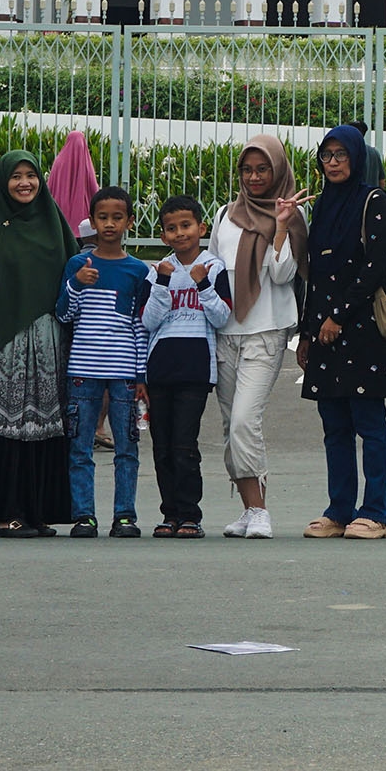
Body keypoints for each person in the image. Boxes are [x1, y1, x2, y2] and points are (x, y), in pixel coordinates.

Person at [297, 124, 386, 540]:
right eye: (327, 155)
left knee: (369, 423)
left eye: (342, 154)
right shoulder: (323, 204)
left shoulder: (373, 200)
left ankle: (376, 511)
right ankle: (339, 510)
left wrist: (339, 316)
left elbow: (374, 268)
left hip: (361, 330)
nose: (334, 163)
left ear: (358, 157)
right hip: (324, 332)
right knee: (334, 425)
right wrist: (308, 332)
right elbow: (315, 275)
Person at [0, 150, 75, 537]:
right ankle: (5, 513)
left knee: (44, 426)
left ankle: (36, 511)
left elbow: (73, 278)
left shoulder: (55, 224)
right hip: (8, 342)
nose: (24, 183)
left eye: (31, 175)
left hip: (49, 340)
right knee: (8, 425)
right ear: (4, 181)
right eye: (15, 176)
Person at [213, 135, 306, 539]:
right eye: (247, 170)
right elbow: (215, 273)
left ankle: (260, 510)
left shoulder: (292, 215)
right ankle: (249, 508)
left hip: (266, 330)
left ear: (278, 170)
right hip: (225, 331)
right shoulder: (224, 214)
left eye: (262, 169)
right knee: (228, 424)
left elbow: (284, 275)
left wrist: (281, 226)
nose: (254, 177)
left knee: (243, 422)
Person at [58, 186, 151, 538]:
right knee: (80, 446)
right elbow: (64, 315)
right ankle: (84, 515)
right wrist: (76, 286)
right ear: (92, 221)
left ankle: (124, 515)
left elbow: (139, 325)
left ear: (129, 221)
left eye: (117, 217)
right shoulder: (78, 265)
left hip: (124, 373)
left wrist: (141, 374)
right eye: (102, 217)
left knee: (127, 448)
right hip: (82, 371)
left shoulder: (137, 270)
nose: (109, 224)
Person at [141, 195, 232, 538]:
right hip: (161, 367)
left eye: (186, 225)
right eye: (171, 228)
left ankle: (190, 514)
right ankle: (170, 514)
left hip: (195, 368)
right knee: (161, 446)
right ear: (163, 235)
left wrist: (202, 284)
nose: (180, 233)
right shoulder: (159, 271)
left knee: (184, 444)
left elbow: (222, 316)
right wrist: (164, 282)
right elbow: (149, 321)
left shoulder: (214, 267)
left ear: (201, 228)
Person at [47, 129, 100, 240]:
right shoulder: (85, 162)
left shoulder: (59, 162)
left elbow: (50, 185)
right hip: (82, 210)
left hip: (60, 208)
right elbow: (93, 186)